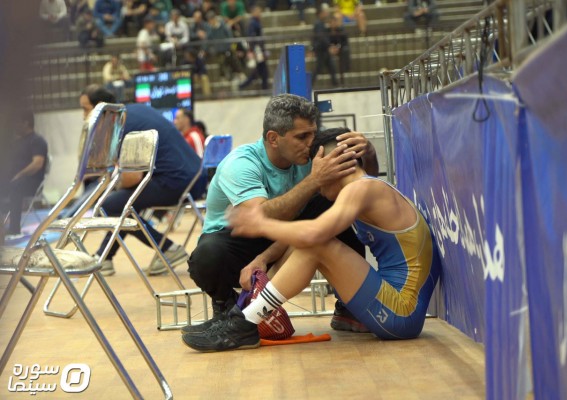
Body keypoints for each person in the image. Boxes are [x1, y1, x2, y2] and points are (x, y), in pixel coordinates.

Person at [181, 127, 440, 352]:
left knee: (317, 242)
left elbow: (314, 235)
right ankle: (243, 316)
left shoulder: (361, 190)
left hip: (401, 313)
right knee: (310, 240)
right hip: (397, 307)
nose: (316, 183)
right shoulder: (367, 187)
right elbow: (304, 234)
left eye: (317, 172)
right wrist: (263, 257)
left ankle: (244, 322)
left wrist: (260, 223)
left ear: (333, 165)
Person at [184, 94, 379, 330]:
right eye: (302, 137)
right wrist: (315, 180)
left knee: (338, 203)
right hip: (242, 240)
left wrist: (368, 153)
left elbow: (364, 188)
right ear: (273, 138)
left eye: (313, 134)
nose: (311, 143)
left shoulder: (313, 155)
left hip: (286, 236)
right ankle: (227, 306)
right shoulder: (240, 163)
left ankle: (348, 306)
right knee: (207, 255)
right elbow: (260, 218)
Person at [78, 84, 204, 276]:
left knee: (110, 205)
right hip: (196, 179)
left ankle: (168, 249)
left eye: (86, 109)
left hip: (177, 182)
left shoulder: (119, 125)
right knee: (124, 204)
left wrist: (113, 184)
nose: (84, 116)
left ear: (102, 108)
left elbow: (132, 178)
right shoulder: (137, 109)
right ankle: (105, 257)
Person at [0, 112, 48, 239]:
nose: (14, 125)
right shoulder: (16, 143)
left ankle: (14, 229)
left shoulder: (37, 141)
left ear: (26, 123)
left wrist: (19, 175)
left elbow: (37, 164)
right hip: (14, 180)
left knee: (16, 186)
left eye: (17, 122)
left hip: (31, 182)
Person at [239, 6, 269, 91]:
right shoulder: (252, 23)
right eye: (258, 12)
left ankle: (264, 88)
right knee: (261, 72)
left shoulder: (257, 22)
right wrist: (255, 51)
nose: (260, 13)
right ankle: (242, 86)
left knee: (259, 72)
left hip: (259, 50)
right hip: (257, 50)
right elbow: (252, 38)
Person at [312, 6, 338, 87]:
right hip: (321, 49)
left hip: (324, 49)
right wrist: (329, 45)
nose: (326, 14)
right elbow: (321, 37)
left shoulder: (321, 23)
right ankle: (309, 84)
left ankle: (335, 84)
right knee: (318, 68)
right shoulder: (318, 24)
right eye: (324, 12)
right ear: (320, 14)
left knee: (331, 67)